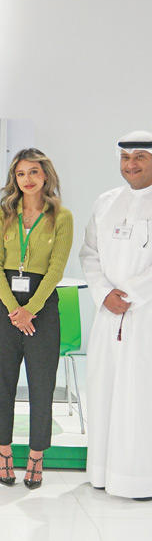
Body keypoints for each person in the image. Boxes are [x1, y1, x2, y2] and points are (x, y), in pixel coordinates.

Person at [0, 148, 72, 489]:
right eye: (21, 173)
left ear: (45, 175)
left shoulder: (61, 216)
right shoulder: (3, 214)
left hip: (42, 307)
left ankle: (36, 456)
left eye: (34, 172)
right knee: (2, 382)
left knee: (41, 384)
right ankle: (4, 452)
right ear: (15, 178)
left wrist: (30, 310)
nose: (28, 179)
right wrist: (14, 311)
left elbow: (56, 269)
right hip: (5, 306)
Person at [80, 131, 152, 501]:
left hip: (146, 316)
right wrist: (103, 292)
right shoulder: (106, 202)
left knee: (139, 396)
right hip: (108, 316)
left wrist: (133, 294)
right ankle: (103, 473)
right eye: (125, 158)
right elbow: (89, 253)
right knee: (104, 389)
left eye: (140, 157)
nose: (131, 164)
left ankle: (138, 479)